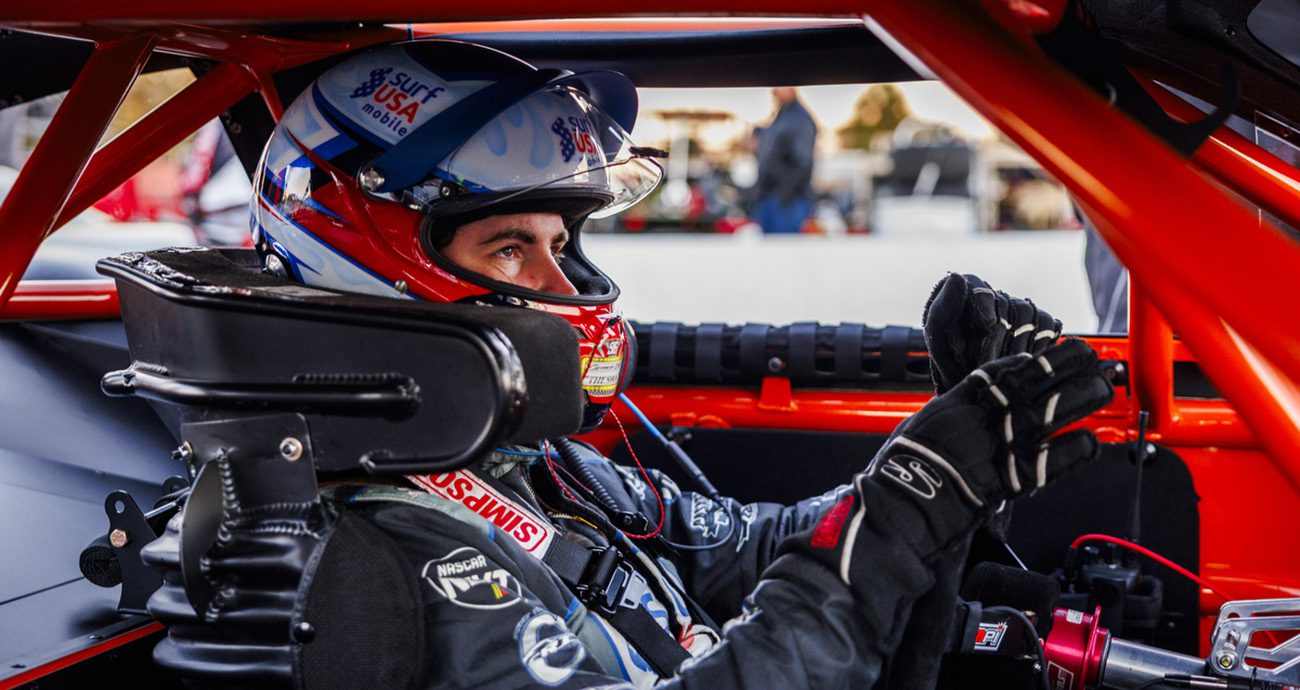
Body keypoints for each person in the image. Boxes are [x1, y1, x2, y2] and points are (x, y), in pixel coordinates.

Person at [244, 40, 1112, 688]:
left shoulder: (532, 466)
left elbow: (749, 547)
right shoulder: (379, 558)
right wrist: (901, 511)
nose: (562, 287)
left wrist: (936, 461)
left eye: (560, 244)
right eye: (510, 249)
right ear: (372, 273)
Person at [750, 87, 818, 234]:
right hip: (773, 197)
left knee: (784, 244)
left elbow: (804, 162)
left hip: (786, 202)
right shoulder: (784, 116)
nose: (774, 91)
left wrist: (785, 193)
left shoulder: (798, 119)